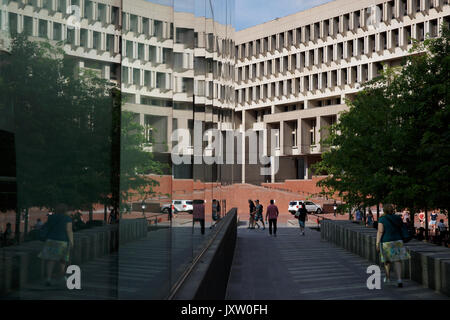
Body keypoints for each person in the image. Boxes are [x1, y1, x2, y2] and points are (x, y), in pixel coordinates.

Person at [38, 204, 74, 287]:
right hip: (62, 241)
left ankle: (48, 279)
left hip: (51, 240)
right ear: (65, 210)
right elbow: (69, 230)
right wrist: (72, 242)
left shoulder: (51, 217)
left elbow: (46, 227)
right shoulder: (67, 218)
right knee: (62, 260)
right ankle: (63, 277)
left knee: (51, 260)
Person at [376, 204, 410, 288]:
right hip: (398, 240)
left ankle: (387, 278)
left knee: (387, 260)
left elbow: (380, 231)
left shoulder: (382, 219)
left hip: (386, 241)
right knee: (398, 260)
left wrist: (377, 243)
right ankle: (399, 280)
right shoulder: (398, 218)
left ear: (384, 210)